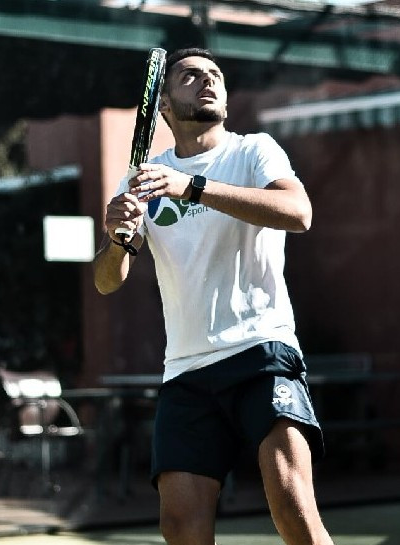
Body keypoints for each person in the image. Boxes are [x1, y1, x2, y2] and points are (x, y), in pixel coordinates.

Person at [94, 47, 335, 545]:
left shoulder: (253, 151)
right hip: (186, 371)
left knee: (293, 505)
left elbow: (299, 212)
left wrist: (192, 187)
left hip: (261, 352)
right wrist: (116, 240)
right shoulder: (142, 180)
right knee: (180, 527)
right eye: (190, 75)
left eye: (215, 74)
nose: (207, 80)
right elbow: (106, 281)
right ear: (163, 105)